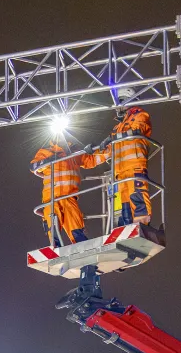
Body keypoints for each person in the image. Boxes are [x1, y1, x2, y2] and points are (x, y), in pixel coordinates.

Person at [85, 90, 155, 226]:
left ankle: (143, 227)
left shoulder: (140, 115)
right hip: (120, 173)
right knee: (125, 205)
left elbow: (137, 131)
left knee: (138, 200)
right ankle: (127, 227)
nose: (118, 107)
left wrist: (111, 138)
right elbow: (106, 153)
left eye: (120, 103)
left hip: (134, 168)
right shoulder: (118, 128)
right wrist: (88, 152)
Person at [31, 136, 89, 247]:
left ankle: (87, 259)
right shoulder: (46, 152)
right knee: (53, 234)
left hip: (69, 199)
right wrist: (49, 160)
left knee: (77, 231)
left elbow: (91, 160)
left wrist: (102, 148)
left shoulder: (75, 154)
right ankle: (57, 254)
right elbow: (33, 166)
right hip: (51, 201)